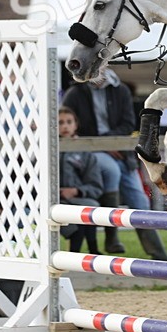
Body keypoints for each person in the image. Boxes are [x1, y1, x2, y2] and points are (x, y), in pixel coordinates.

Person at [61, 69, 167, 261]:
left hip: (120, 151)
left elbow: (129, 123)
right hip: (89, 151)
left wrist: (110, 143)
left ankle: (157, 253)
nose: (98, 69)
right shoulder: (76, 93)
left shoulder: (120, 90)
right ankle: (111, 236)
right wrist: (104, 144)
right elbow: (71, 124)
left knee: (139, 200)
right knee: (111, 171)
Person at [57, 107, 101, 254]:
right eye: (60, 122)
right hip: (53, 200)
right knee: (76, 221)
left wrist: (76, 191)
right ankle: (74, 255)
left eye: (69, 122)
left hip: (77, 199)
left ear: (75, 125)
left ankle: (93, 249)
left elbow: (96, 187)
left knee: (90, 207)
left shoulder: (85, 153)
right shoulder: (45, 149)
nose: (65, 126)